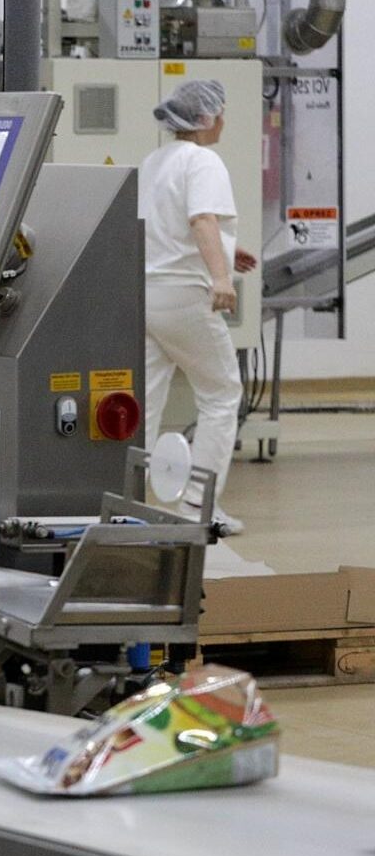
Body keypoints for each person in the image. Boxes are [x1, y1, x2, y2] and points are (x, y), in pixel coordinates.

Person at [138, 79, 257, 534]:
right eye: (220, 113)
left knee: (147, 401)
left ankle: (127, 499)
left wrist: (226, 250)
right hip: (185, 296)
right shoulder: (203, 160)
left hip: (147, 293)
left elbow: (168, 226)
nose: (224, 120)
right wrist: (221, 278)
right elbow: (201, 218)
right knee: (222, 393)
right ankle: (198, 506)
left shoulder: (155, 161)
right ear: (205, 119)